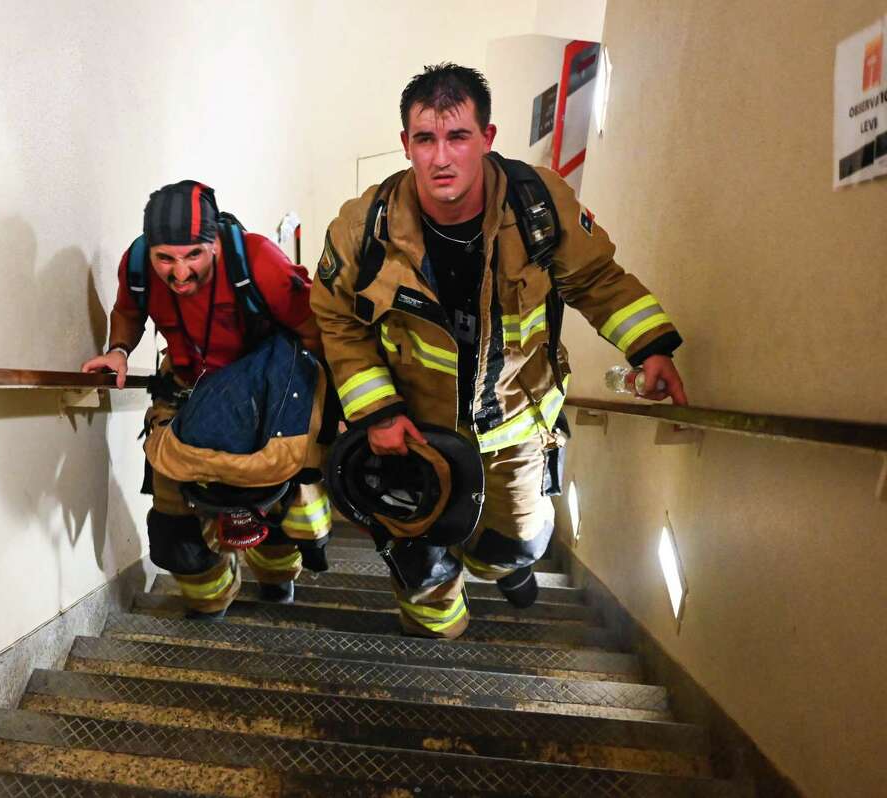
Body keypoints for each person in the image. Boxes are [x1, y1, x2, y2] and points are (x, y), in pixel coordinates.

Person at [310, 64, 687, 639]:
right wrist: (377, 412)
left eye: (458, 137)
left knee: (512, 547)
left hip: (513, 424)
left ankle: (505, 570)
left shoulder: (540, 205)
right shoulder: (363, 228)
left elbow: (597, 281)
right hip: (413, 433)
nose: (441, 158)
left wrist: (650, 346)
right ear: (406, 143)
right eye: (426, 139)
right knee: (420, 559)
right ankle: (437, 641)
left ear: (487, 139)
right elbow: (337, 320)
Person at [83, 180, 330, 619]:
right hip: (183, 388)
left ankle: (276, 580)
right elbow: (127, 310)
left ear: (214, 242)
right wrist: (118, 350)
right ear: (150, 250)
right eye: (166, 259)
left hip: (261, 396)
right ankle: (210, 599)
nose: (179, 274)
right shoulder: (137, 264)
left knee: (273, 501)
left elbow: (315, 336)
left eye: (193, 255)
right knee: (173, 525)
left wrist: (317, 416)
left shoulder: (259, 261)